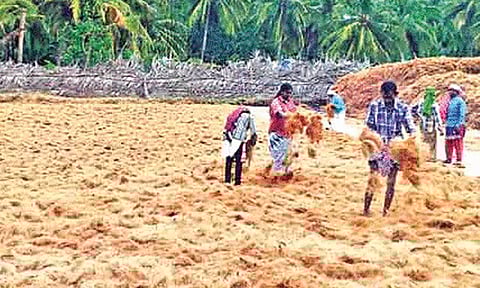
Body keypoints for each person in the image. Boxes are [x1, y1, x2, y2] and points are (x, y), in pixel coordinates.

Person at [363, 80, 417, 216]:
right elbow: (369, 127)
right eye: (385, 97)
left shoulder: (403, 108)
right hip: (377, 148)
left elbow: (411, 128)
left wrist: (412, 140)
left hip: (394, 149)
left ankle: (385, 212)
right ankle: (366, 210)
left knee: (391, 183)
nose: (387, 100)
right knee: (373, 179)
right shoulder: (374, 106)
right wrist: (372, 141)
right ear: (381, 94)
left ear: (396, 94)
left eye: (390, 97)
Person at [222, 106, 257, 185]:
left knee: (229, 159)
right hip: (238, 139)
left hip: (228, 137)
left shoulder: (232, 116)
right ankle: (237, 181)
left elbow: (227, 127)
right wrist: (253, 140)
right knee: (239, 161)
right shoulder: (249, 117)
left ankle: (227, 180)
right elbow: (253, 131)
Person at [268, 83, 298, 176]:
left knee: (288, 155)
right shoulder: (276, 102)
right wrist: (290, 115)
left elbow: (296, 111)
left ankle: (285, 174)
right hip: (276, 133)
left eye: (290, 93)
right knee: (278, 156)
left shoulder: (290, 101)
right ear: (282, 92)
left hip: (287, 133)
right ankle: (275, 176)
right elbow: (279, 114)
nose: (289, 95)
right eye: (287, 93)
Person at [411, 86, 444, 162]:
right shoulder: (433, 105)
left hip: (422, 125)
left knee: (423, 141)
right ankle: (431, 158)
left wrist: (416, 117)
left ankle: (423, 157)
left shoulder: (421, 102)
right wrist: (440, 128)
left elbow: (412, 109)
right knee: (432, 143)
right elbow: (437, 118)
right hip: (431, 126)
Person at [443, 84, 467, 167]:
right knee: (448, 143)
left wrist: (460, 124)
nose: (450, 92)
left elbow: (462, 114)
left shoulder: (460, 101)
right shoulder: (449, 101)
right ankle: (449, 158)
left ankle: (459, 159)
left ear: (456, 92)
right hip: (449, 125)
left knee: (458, 143)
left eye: (452, 90)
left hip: (457, 125)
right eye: (449, 90)